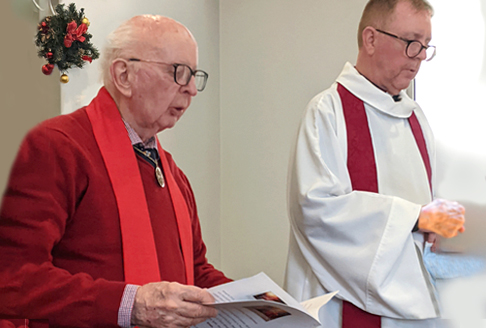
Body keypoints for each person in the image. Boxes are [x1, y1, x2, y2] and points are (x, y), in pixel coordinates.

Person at [0, 15, 231, 328]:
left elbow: (195, 269)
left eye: (194, 75)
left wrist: (263, 303)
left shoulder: (173, 173)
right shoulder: (58, 147)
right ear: (124, 75)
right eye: (178, 72)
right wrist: (130, 305)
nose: (191, 89)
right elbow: (12, 277)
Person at [284, 0, 466, 327]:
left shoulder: (415, 117)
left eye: (426, 46)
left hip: (413, 302)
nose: (420, 57)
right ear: (370, 39)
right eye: (411, 43)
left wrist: (441, 225)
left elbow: (429, 204)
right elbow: (315, 211)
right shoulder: (328, 111)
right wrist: (416, 217)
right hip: (342, 304)